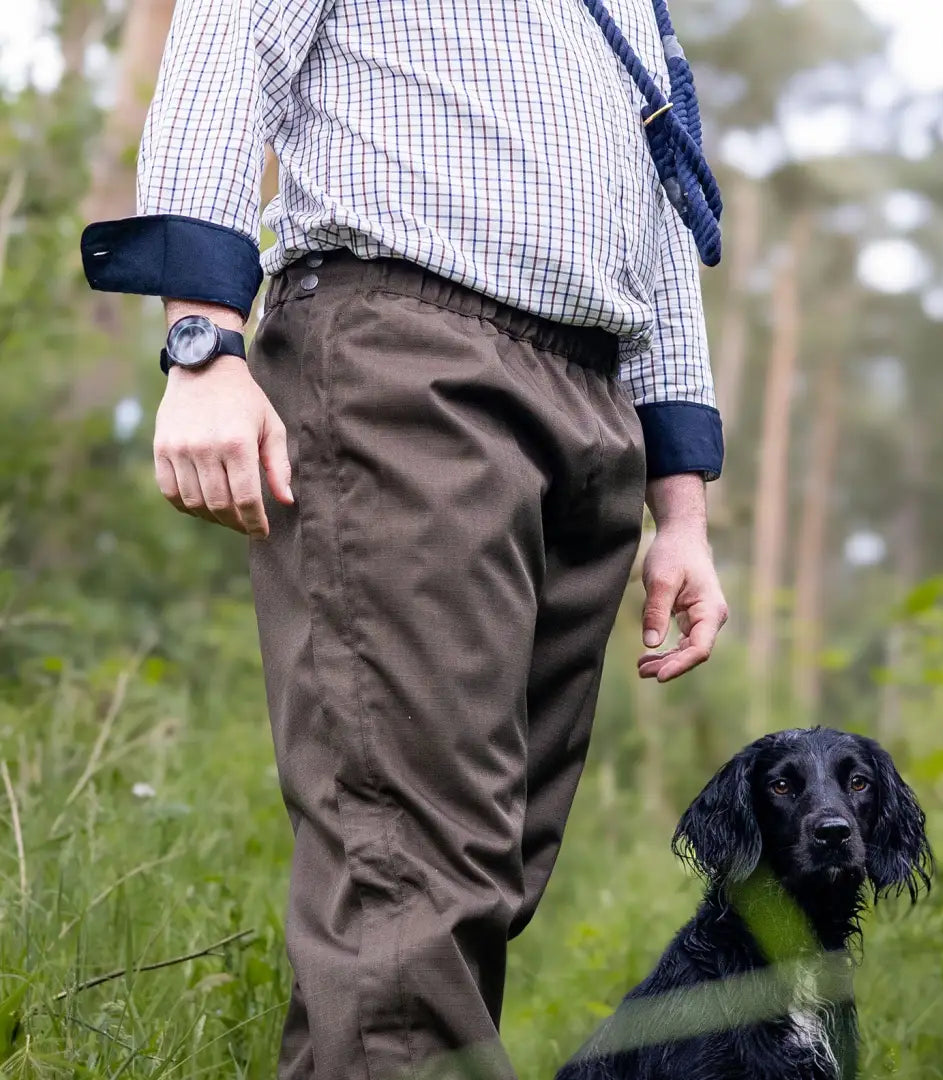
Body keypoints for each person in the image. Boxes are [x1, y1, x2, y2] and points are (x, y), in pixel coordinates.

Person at [81, 0, 729, 1076]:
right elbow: (226, 41)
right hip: (406, 352)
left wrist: (683, 506)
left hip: (589, 404)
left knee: (477, 883)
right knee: (410, 879)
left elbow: (664, 212)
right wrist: (203, 340)